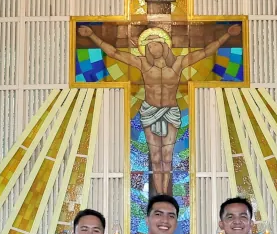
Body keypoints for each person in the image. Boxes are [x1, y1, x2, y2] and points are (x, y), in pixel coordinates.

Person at [78, 24, 240, 195]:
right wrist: (91, 36)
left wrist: (227, 35)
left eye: (156, 44)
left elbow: (205, 52)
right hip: (150, 111)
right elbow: (114, 53)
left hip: (170, 111)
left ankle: (165, 195)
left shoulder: (178, 64)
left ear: (164, 46)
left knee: (168, 157)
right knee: (155, 157)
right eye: (149, 46)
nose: (153, 48)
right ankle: (159, 196)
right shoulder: (142, 64)